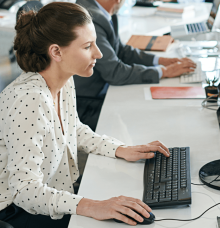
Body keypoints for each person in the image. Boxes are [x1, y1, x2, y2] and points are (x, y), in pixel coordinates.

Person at [0, 2, 169, 227]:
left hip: (53, 192)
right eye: (88, 46)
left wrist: (120, 149)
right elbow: (25, 190)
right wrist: (92, 206)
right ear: (56, 52)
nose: (98, 53)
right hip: (16, 210)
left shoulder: (64, 79)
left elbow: (73, 129)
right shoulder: (30, 100)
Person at [74, 0, 197, 131]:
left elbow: (120, 50)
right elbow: (115, 73)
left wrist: (159, 60)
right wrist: (164, 72)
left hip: (100, 93)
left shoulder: (104, 12)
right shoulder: (91, 18)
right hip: (87, 104)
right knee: (148, 115)